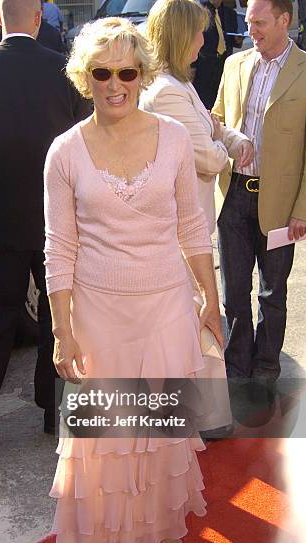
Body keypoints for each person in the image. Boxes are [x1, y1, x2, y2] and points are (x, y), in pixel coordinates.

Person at [45, 17, 222, 543]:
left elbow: (193, 226)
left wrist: (210, 301)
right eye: (102, 72)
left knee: (163, 430)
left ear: (142, 74)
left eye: (126, 70)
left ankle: (168, 536)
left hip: (165, 305)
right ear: (85, 78)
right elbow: (60, 247)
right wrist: (62, 331)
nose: (114, 83)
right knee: (114, 436)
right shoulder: (64, 153)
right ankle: (123, 537)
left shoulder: (171, 137)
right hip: (98, 314)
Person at [0, 0, 90, 442]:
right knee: (58, 313)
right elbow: (82, 141)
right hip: (57, 217)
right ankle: (55, 411)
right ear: (40, 18)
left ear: (0, 18)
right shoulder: (64, 70)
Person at [140, 0, 253, 437]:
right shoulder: (167, 90)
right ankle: (202, 419)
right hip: (178, 227)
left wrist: (231, 137)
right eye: (198, 32)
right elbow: (204, 154)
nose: (205, 41)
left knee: (194, 317)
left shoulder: (177, 85)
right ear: (178, 35)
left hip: (184, 224)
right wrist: (230, 150)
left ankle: (200, 416)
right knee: (199, 315)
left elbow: (212, 124)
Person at [212, 0, 306, 384]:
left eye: (260, 23)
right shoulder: (234, 64)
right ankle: (237, 365)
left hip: (281, 204)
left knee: (272, 293)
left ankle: (267, 364)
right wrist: (229, 139)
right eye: (249, 22)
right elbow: (214, 118)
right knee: (233, 292)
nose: (252, 30)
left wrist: (302, 208)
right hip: (233, 194)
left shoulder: (304, 70)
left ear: (285, 20)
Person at [193, 0, 242, 110]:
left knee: (222, 103)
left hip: (224, 66)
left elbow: (230, 40)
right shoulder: (198, 12)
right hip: (204, 68)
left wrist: (237, 40)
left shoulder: (230, 13)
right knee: (204, 104)